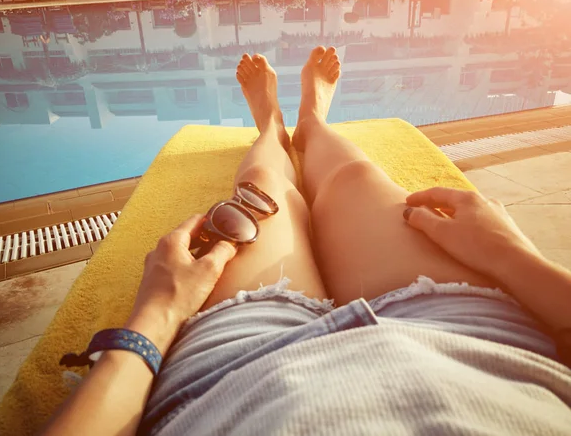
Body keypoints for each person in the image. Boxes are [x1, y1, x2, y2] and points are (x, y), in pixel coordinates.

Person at [42, 47, 571, 435]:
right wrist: (511, 256)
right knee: (356, 180)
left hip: (237, 378)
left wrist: (157, 314)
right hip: (475, 339)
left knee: (268, 194)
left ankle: (273, 129)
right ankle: (310, 123)